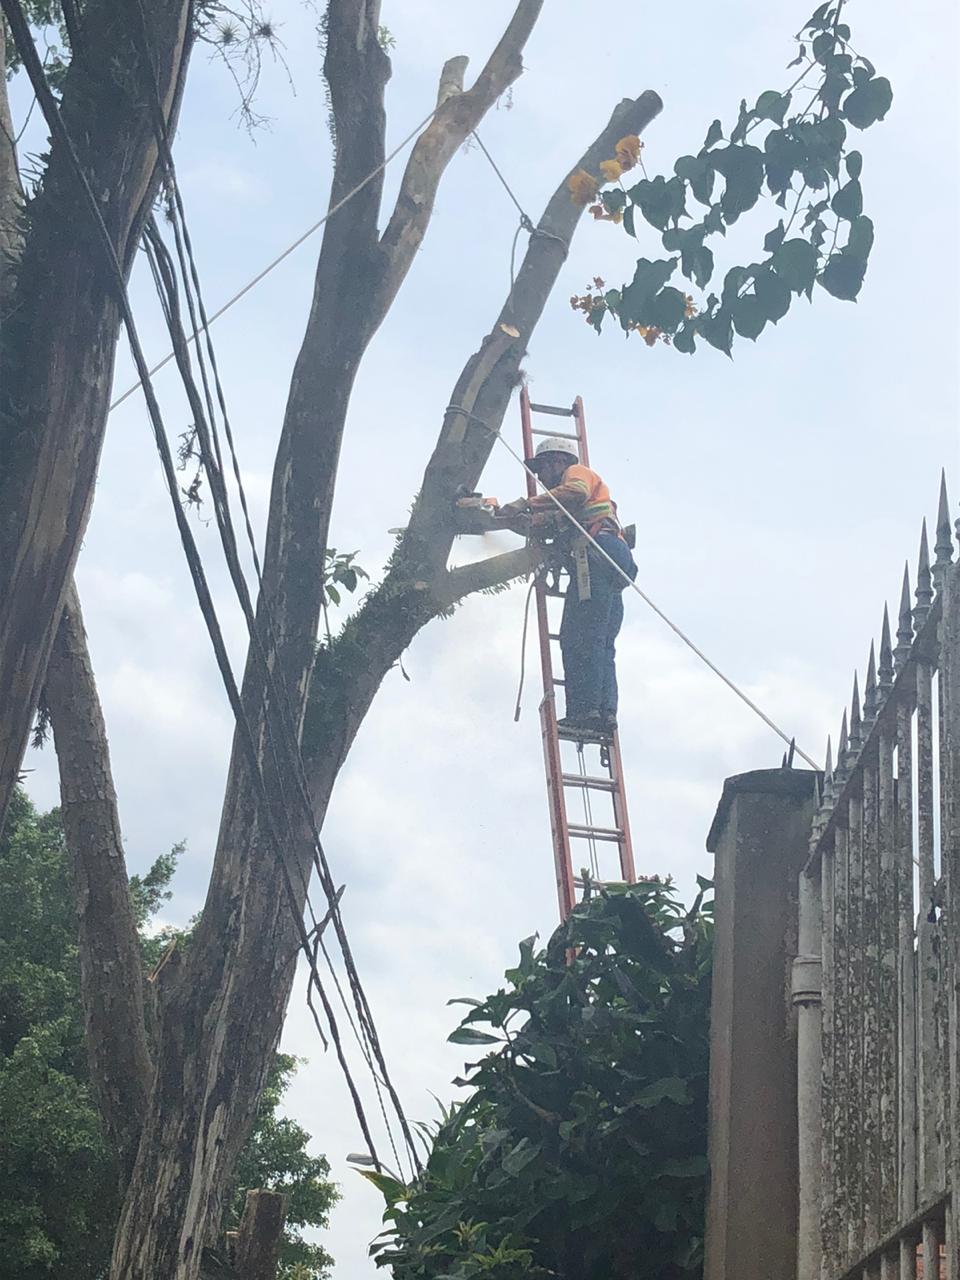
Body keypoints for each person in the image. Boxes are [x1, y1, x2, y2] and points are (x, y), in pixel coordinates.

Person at [498, 437, 637, 735]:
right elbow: (542, 523)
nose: (542, 479)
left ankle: (585, 711)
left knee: (579, 637)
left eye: (543, 470)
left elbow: (574, 492)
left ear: (558, 462)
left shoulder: (577, 474)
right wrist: (502, 515)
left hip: (598, 555)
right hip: (610, 558)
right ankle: (603, 713)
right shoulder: (570, 510)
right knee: (600, 641)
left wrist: (525, 503)